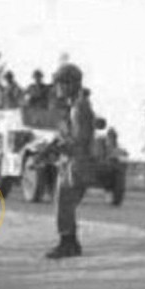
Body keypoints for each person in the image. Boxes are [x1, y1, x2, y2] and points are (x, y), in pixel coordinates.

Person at [45, 63, 96, 259]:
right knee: (64, 202)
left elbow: (79, 139)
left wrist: (57, 147)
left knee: (64, 202)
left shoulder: (79, 108)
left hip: (76, 162)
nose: (57, 88)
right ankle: (69, 241)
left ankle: (68, 243)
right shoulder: (76, 106)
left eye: (60, 83)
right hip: (72, 161)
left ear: (70, 84)